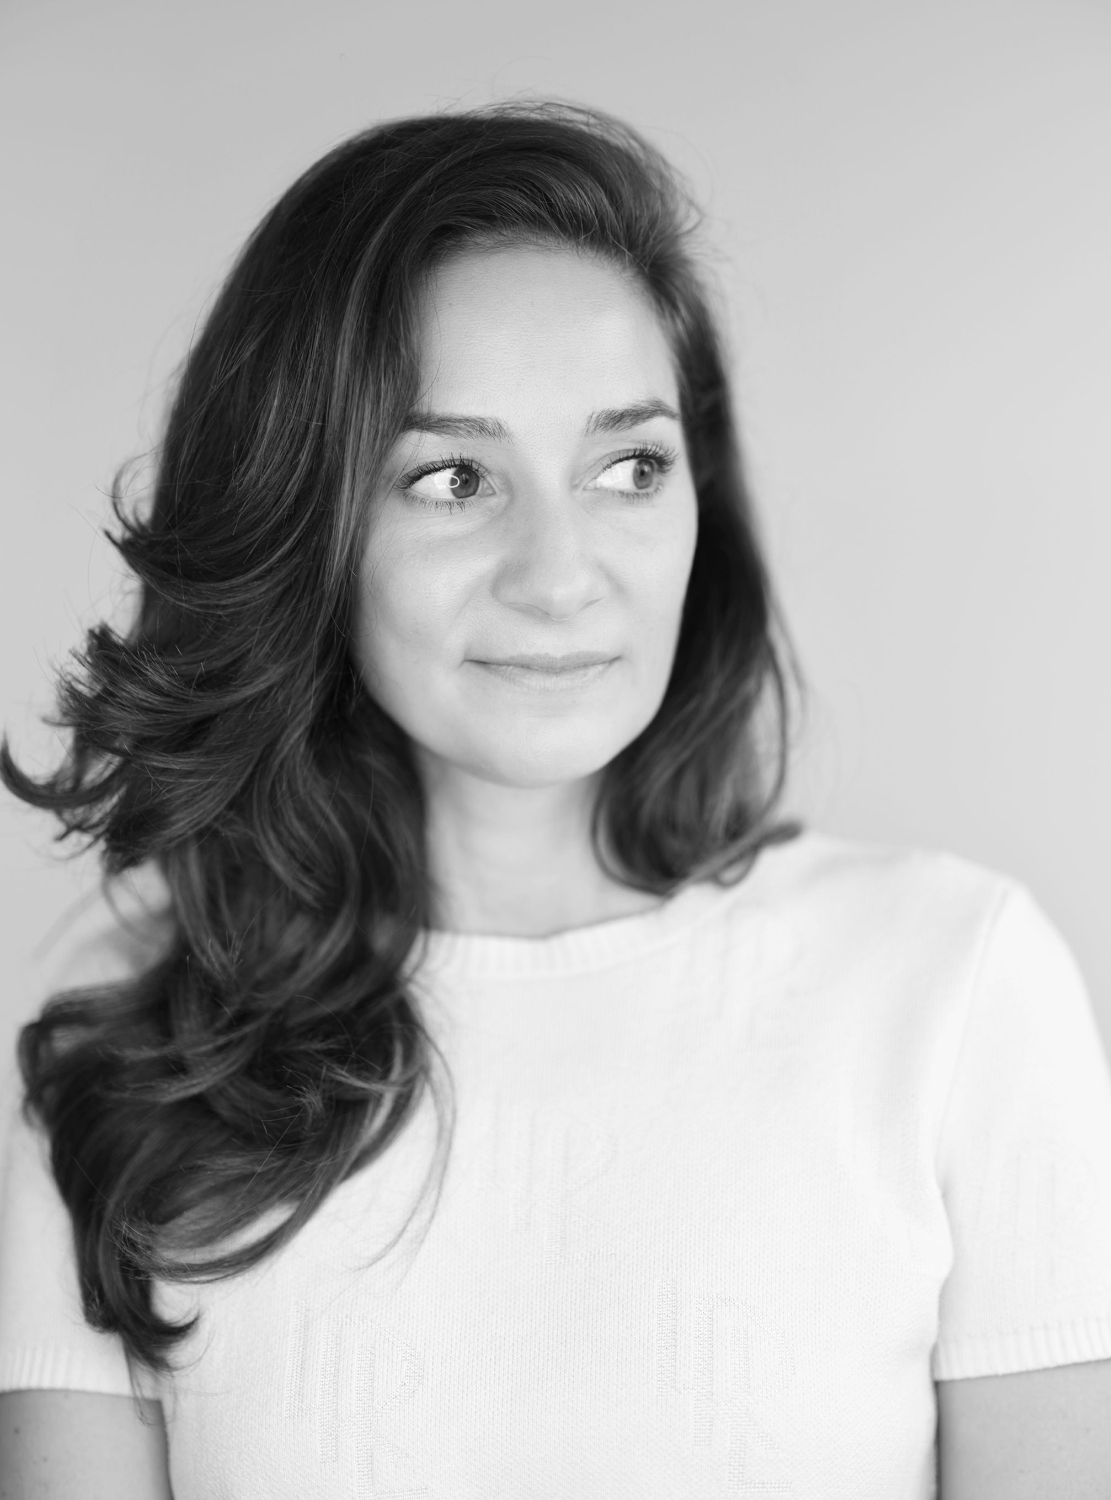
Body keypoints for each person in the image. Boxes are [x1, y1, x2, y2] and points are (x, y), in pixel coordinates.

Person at [2, 100, 1111, 1500]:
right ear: (305, 524)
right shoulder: (132, 1049)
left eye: (629, 466)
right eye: (453, 477)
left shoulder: (954, 987)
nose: (561, 571)